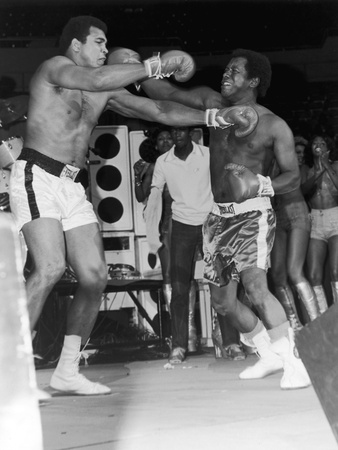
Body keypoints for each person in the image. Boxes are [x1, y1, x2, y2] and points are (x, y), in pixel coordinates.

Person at [8, 15, 219, 396]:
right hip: (36, 174)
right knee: (50, 268)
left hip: (72, 186)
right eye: (99, 42)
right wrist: (156, 64)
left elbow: (158, 112)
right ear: (76, 44)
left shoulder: (105, 91)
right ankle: (7, 370)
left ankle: (67, 371)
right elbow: (93, 79)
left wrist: (213, 117)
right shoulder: (56, 68)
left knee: (94, 277)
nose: (106, 50)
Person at [136, 47, 311, 389]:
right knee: (222, 303)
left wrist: (260, 184)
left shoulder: (274, 125)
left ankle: (293, 360)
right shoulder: (213, 105)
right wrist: (140, 71)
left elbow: (294, 176)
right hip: (217, 218)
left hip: (252, 216)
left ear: (254, 81)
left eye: (235, 71)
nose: (226, 75)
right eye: (226, 69)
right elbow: (168, 93)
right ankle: (267, 353)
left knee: (256, 287)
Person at [144, 126, 213, 364]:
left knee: (220, 281)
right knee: (178, 286)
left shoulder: (207, 154)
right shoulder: (163, 161)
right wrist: (151, 234)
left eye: (181, 130)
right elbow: (153, 195)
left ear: (191, 132)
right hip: (180, 226)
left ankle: (230, 341)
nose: (176, 135)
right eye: (173, 131)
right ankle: (180, 345)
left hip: (210, 223)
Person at [269, 134, 320, 331]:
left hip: (298, 214)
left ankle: (316, 326)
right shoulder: (272, 166)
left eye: (300, 153)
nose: (297, 155)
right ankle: (295, 325)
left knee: (294, 272)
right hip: (278, 218)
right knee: (278, 276)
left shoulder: (303, 169)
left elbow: (305, 187)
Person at [133, 126, 174, 316]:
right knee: (168, 273)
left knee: (187, 274)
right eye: (161, 139)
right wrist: (136, 177)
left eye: (168, 138)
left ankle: (189, 332)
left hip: (190, 220)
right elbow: (141, 195)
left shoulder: (187, 161)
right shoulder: (153, 166)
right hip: (164, 222)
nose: (165, 141)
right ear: (156, 145)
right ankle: (177, 325)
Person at [302, 133, 338, 312]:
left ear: (328, 148)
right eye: (315, 143)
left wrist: (326, 165)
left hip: (335, 218)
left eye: (322, 143)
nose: (318, 146)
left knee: (336, 272)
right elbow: (304, 191)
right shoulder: (307, 170)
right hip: (315, 220)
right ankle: (322, 317)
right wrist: (318, 171)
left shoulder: (336, 166)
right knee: (314, 275)